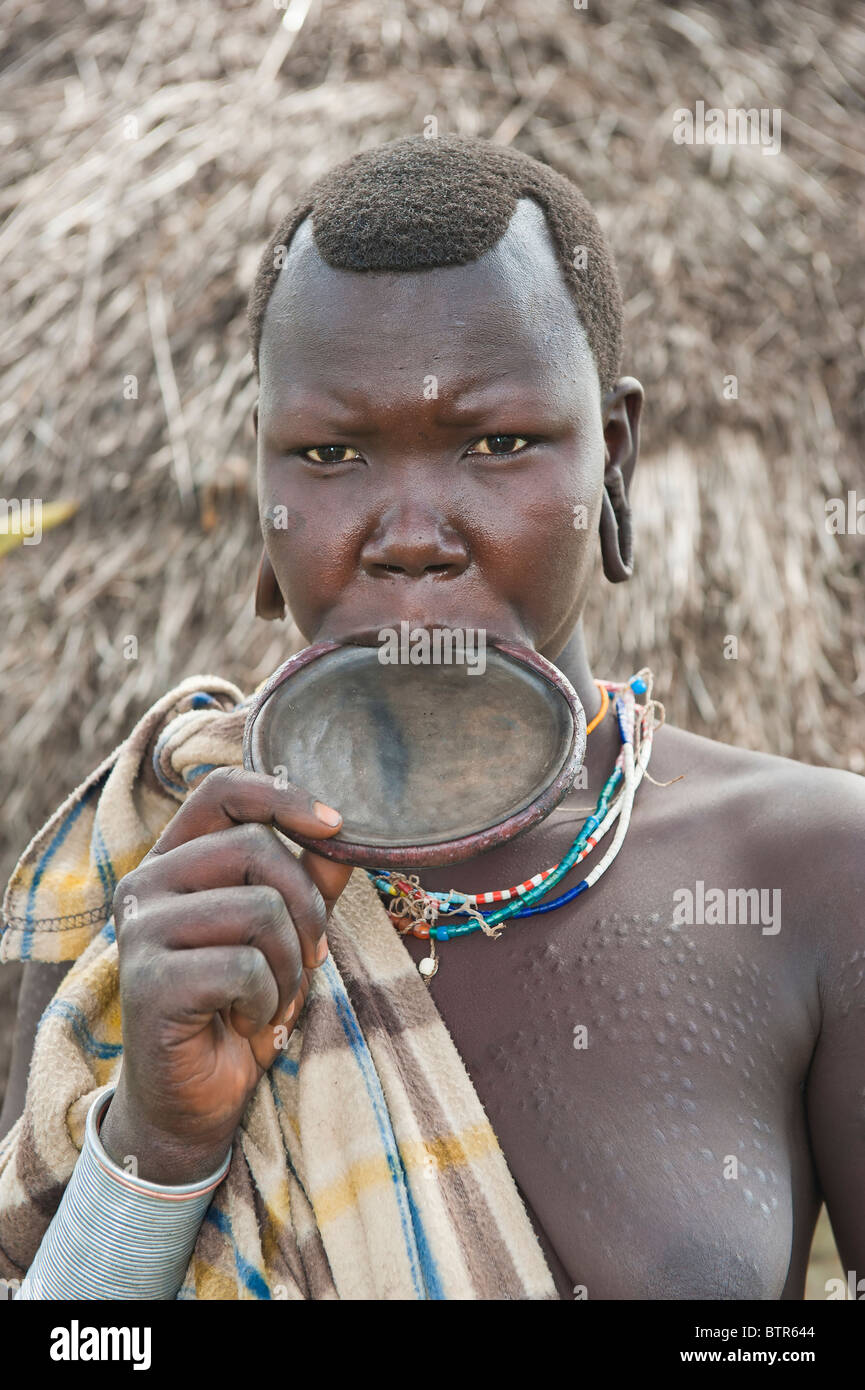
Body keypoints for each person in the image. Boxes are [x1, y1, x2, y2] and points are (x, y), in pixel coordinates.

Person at [1, 134, 862, 1300]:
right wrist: (157, 1150)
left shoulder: (814, 874)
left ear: (612, 461)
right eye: (330, 452)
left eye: (496, 444)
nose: (410, 533)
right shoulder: (148, 889)